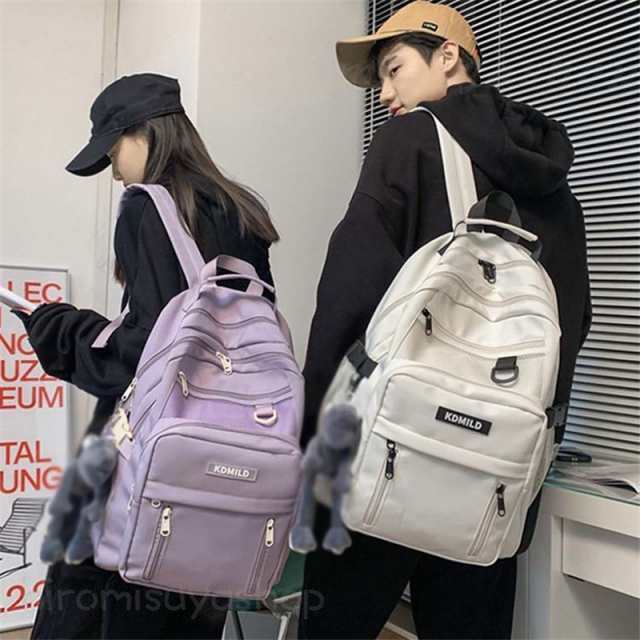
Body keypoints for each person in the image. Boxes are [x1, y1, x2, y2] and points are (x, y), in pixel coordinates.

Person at [298, 2, 591, 639]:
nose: (385, 93)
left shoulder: (408, 141)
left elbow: (349, 295)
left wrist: (311, 430)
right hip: (496, 473)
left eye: (394, 69)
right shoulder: (553, 183)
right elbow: (571, 323)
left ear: (449, 56)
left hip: (393, 449)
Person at [17, 72, 279, 639]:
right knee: (185, 605)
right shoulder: (241, 210)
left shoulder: (148, 206)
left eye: (113, 151)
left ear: (144, 133)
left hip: (148, 455)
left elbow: (144, 353)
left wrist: (59, 329)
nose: (114, 170)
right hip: (229, 449)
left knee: (92, 606)